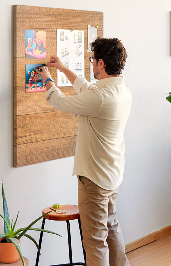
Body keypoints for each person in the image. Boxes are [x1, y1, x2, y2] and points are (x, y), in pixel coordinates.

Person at [36, 37, 131, 266]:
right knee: (111, 229)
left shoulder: (99, 97)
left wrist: (47, 79)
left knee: (95, 241)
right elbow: (86, 88)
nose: (91, 65)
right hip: (111, 175)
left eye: (91, 61)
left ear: (101, 63)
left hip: (94, 179)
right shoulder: (121, 91)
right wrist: (62, 67)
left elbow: (61, 102)